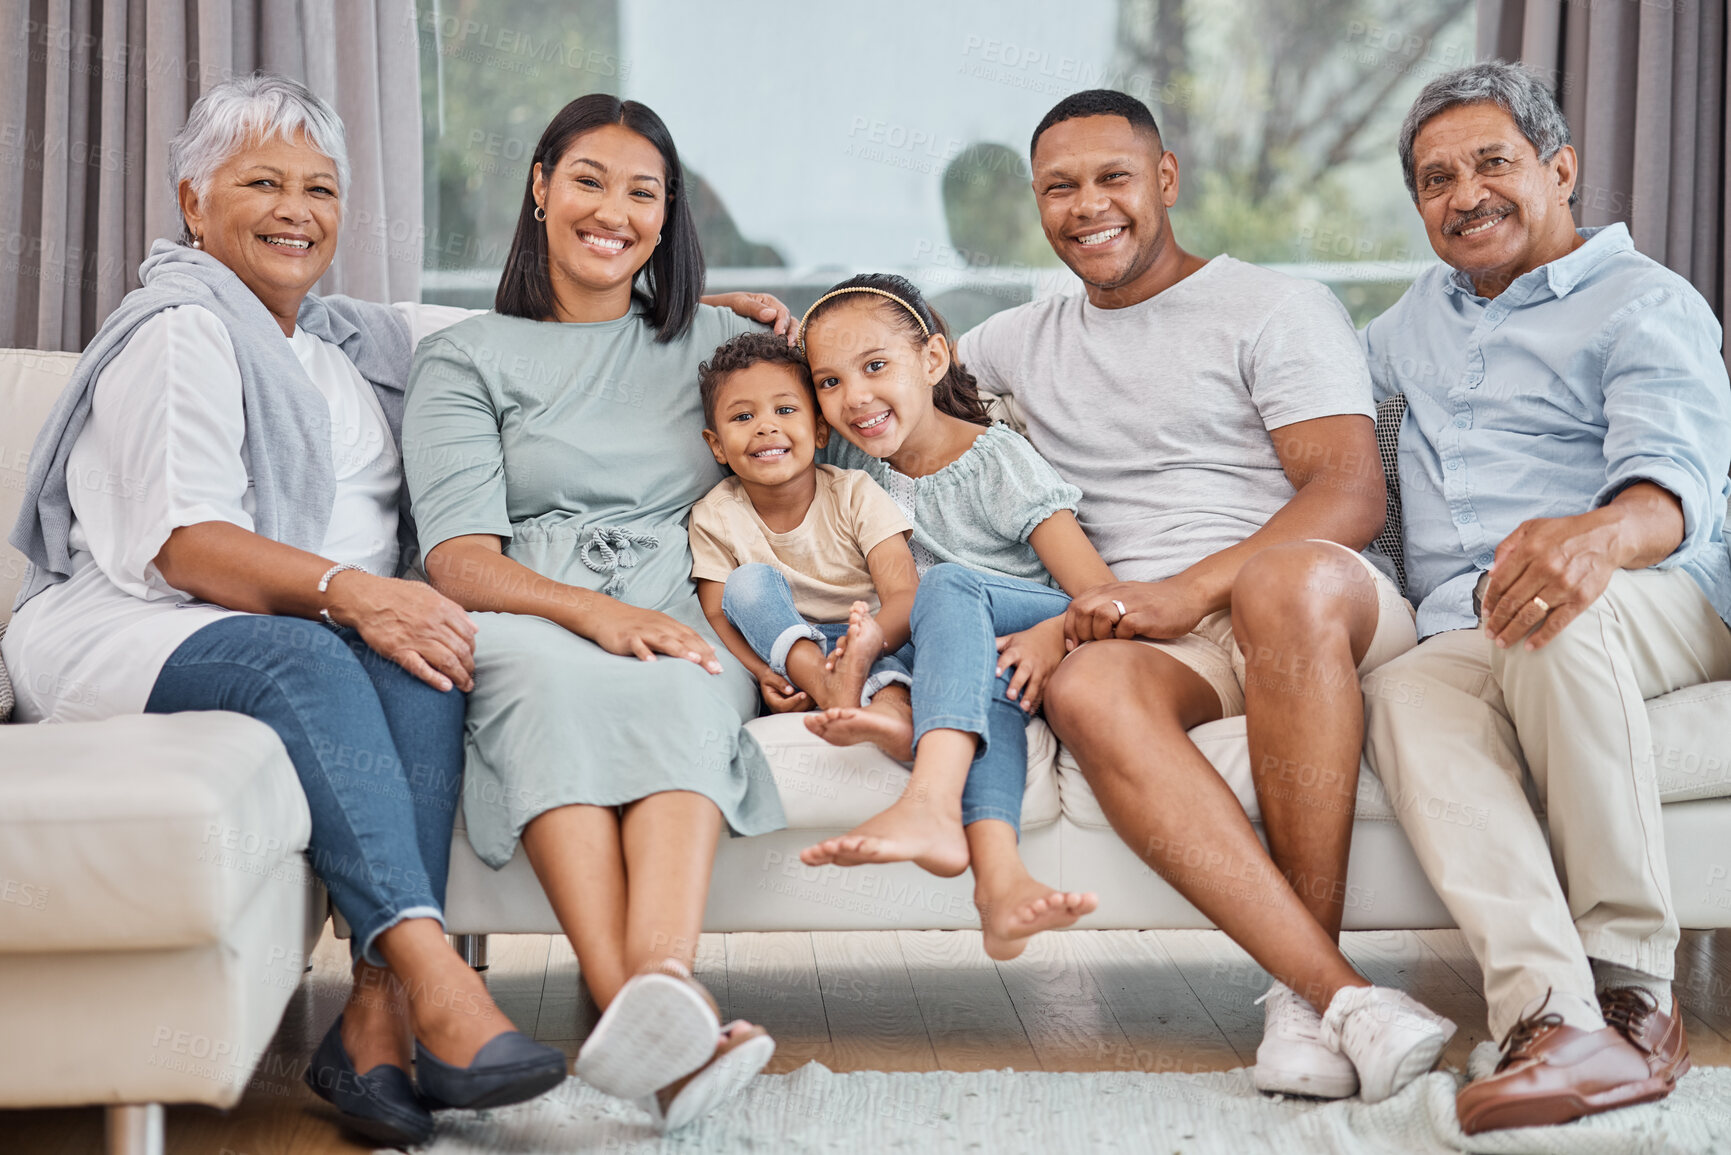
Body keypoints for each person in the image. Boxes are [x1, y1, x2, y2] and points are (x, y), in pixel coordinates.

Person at [2, 74, 566, 1147]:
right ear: (193, 200)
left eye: (320, 187)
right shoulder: (181, 333)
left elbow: (531, 330)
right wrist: (353, 594)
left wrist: (697, 316)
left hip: (307, 626)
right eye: (261, 181)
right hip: (129, 626)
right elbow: (184, 543)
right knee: (319, 657)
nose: (296, 209)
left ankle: (370, 1019)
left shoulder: (349, 339)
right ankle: (435, 978)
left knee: (428, 648)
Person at [960, 90, 1454, 1102]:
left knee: (1280, 582)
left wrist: (1189, 590)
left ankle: (1302, 989)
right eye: (1061, 187)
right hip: (1154, 635)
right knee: (1088, 691)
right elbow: (865, 374)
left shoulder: (1275, 305)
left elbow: (1349, 493)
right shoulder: (1014, 341)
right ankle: (1336, 998)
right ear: (1038, 205)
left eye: (1113, 178)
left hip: (1316, 596)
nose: (1089, 205)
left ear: (1166, 180)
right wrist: (753, 324)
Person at [1358, 61, 1731, 1133]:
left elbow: (1676, 486)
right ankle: (1552, 1020)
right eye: (1434, 180)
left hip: (1649, 587)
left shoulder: (1645, 302)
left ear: (1560, 169)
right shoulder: (1401, 330)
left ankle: (1634, 999)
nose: (1463, 193)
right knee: (1408, 691)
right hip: (1469, 622)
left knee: (1540, 611)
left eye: (1491, 163)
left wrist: (1597, 538)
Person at [403, 93, 787, 1133]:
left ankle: (656, 989)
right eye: (588, 179)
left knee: (689, 679)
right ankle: (651, 1024)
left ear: (668, 218)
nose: (613, 210)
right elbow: (458, 558)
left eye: (643, 192)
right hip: (529, 598)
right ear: (540, 188)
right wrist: (588, 614)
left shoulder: (720, 344)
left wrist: (793, 329)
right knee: (553, 680)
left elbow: (835, 437)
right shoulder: (464, 356)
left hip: (678, 590)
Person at [792, 273, 1106, 961]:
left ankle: (927, 801)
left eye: (875, 367)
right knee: (982, 697)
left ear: (931, 361)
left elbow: (1097, 592)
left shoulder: (996, 461)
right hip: (969, 658)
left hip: (1035, 618)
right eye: (829, 382)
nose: (855, 398)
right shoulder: (851, 462)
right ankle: (1000, 887)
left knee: (947, 586)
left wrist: (1053, 635)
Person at [689, 330, 919, 738]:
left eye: (785, 410)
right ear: (717, 445)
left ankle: (890, 719)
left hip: (869, 639)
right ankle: (829, 688)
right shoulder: (715, 516)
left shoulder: (854, 494)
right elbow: (715, 614)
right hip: (786, 655)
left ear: (819, 431)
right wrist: (762, 672)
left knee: (890, 673)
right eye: (743, 417)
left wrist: (863, 647)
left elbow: (904, 593)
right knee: (744, 583)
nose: (765, 427)